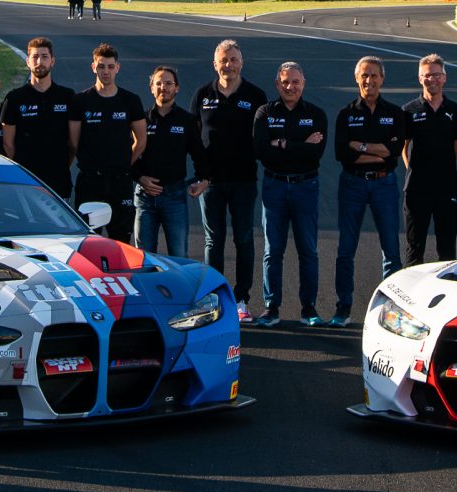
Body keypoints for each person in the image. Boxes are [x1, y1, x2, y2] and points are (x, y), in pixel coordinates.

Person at [193, 39, 267, 321]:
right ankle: (214, 297)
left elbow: (263, 136)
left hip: (244, 180)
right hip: (211, 183)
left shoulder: (255, 95)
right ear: (215, 64)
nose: (229, 65)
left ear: (241, 63)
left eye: (233, 60)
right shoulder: (203, 94)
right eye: (223, 60)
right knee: (214, 241)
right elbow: (193, 134)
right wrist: (200, 175)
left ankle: (241, 299)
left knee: (244, 239)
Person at [255, 61, 329, 324]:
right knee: (272, 250)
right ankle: (271, 307)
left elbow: (316, 152)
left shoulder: (316, 114)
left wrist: (282, 144)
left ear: (303, 84)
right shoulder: (265, 112)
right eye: (285, 82)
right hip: (274, 186)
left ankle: (308, 308)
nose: (290, 87)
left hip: (305, 186)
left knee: (308, 250)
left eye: (295, 82)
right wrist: (299, 144)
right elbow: (261, 150)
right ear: (277, 84)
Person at [332, 55, 404, 321]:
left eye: (374, 75)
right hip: (352, 184)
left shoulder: (395, 113)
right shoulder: (345, 114)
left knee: (391, 250)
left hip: (384, 183)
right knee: (346, 249)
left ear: (382, 79)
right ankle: (343, 306)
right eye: (364, 75)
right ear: (356, 78)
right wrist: (376, 151)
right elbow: (342, 154)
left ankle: (393, 306)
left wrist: (359, 145)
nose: (369, 80)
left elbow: (393, 152)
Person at [73, 43, 148, 240]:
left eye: (110, 66)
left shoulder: (130, 100)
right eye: (101, 66)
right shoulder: (81, 100)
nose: (105, 71)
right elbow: (74, 142)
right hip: (90, 181)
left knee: (121, 240)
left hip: (120, 181)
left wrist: (124, 163)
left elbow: (141, 140)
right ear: (93, 67)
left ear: (117, 68)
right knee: (89, 240)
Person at [135, 65, 206, 257]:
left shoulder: (187, 120)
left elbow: (199, 154)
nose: (163, 87)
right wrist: (140, 178)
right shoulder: (141, 119)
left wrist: (204, 180)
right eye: (158, 83)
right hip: (145, 197)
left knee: (178, 256)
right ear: (151, 88)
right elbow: (129, 155)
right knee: (143, 259)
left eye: (168, 83)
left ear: (177, 88)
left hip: (174, 197)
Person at [402, 53, 457, 265]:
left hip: (447, 187)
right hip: (416, 189)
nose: (432, 79)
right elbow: (404, 146)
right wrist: (415, 170)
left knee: (447, 249)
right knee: (414, 248)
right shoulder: (409, 110)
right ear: (420, 79)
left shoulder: (455, 110)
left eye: (437, 75)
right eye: (427, 76)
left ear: (444, 77)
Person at [1, 36, 79, 199]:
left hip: (59, 181)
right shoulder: (15, 98)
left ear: (52, 61)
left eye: (44, 57)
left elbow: (73, 144)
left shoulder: (67, 96)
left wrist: (61, 166)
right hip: (26, 182)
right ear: (27, 61)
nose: (39, 62)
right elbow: (8, 144)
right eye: (35, 57)